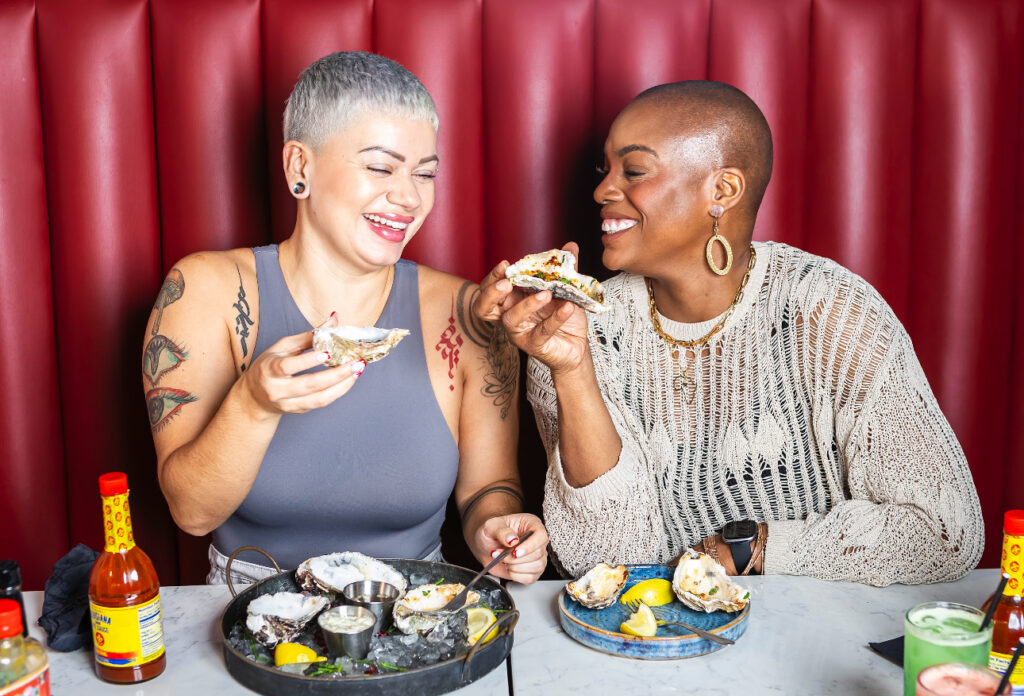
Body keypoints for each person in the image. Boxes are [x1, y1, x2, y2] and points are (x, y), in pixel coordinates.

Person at [474, 80, 983, 586]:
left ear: (723, 190)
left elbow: (944, 531)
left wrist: (754, 546)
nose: (603, 190)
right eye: (604, 170)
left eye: (633, 170)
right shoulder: (578, 329)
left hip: (818, 632)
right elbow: (608, 562)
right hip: (660, 641)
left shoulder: (827, 309)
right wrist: (572, 369)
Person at [142, 51, 547, 586]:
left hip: (413, 615)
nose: (408, 197)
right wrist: (253, 403)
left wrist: (498, 529)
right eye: (380, 166)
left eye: (424, 174)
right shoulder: (204, 291)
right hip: (249, 613)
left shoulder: (469, 315)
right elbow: (192, 513)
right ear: (300, 168)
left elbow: (488, 486)